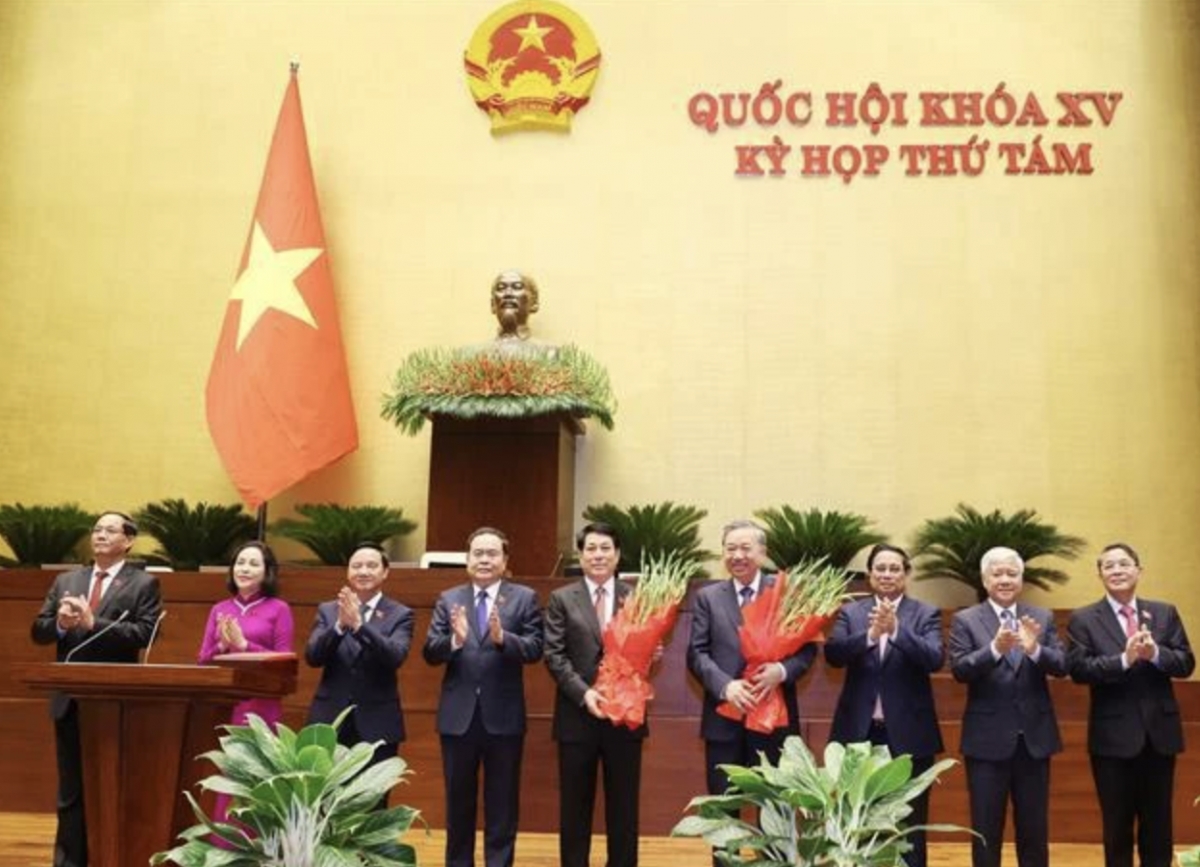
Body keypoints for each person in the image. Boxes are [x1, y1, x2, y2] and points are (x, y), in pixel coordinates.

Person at [30, 511, 163, 867]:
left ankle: (113, 857)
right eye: (97, 529)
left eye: (110, 530)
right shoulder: (66, 580)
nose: (101, 535)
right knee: (71, 791)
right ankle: (69, 862)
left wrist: (93, 623)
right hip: (69, 698)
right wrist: (59, 623)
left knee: (113, 787)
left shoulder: (142, 584)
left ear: (129, 541)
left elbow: (145, 634)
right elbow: (38, 630)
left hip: (117, 701)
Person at [422, 527, 544, 867]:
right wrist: (455, 641)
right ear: (467, 559)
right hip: (457, 718)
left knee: (502, 805)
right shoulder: (449, 599)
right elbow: (430, 652)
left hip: (503, 718)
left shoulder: (524, 598)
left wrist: (504, 638)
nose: (485, 559)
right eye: (478, 553)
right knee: (458, 805)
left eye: (493, 554)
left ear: (505, 561)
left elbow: (536, 648)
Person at [1068, 542, 1195, 867]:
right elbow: (1080, 670)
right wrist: (1124, 659)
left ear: (1139, 570)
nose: (1117, 571)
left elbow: (1185, 663)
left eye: (1124, 564)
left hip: (1159, 736)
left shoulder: (1163, 612)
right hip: (1112, 739)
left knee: (1159, 826)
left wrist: (1155, 655)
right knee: (1117, 827)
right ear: (1100, 575)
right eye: (1108, 566)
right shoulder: (1084, 619)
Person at [824, 542, 944, 867]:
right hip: (859, 734)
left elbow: (934, 659)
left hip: (908, 735)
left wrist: (897, 631)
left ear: (906, 575)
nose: (887, 574)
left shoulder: (925, 613)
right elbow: (833, 655)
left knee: (910, 824)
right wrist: (869, 636)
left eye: (894, 569)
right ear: (869, 575)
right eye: (880, 568)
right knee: (858, 820)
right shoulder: (852, 612)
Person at [948, 547, 1067, 867]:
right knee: (986, 829)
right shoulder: (966, 620)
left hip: (1034, 740)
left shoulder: (1041, 617)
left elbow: (1061, 665)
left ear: (1021, 579)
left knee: (1034, 828)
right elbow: (960, 670)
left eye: (1011, 574)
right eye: (997, 574)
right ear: (985, 580)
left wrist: (1035, 649)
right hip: (986, 741)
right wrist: (994, 650)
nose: (1004, 580)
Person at [687, 520, 817, 805]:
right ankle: (725, 854)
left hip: (775, 717)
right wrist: (725, 686)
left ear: (762, 552)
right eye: (730, 548)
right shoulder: (708, 597)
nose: (737, 555)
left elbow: (807, 650)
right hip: (724, 718)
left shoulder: (786, 593)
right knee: (722, 809)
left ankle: (772, 854)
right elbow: (696, 654)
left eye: (745, 548)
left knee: (775, 808)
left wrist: (781, 671)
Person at [544, 522, 644, 867]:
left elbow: (642, 650)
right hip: (577, 716)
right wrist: (585, 694)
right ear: (581, 555)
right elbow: (554, 656)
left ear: (617, 555)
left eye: (605, 548)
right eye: (591, 549)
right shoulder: (561, 598)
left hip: (625, 717)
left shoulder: (636, 597)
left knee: (624, 807)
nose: (598, 555)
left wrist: (650, 653)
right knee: (575, 806)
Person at [197, 540, 294, 829]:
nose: (245, 568)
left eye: (253, 563)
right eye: (240, 562)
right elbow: (203, 661)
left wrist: (243, 644)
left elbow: (285, 662)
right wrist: (222, 645)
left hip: (261, 709)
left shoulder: (279, 609)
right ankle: (222, 849)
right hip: (224, 707)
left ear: (267, 572)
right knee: (224, 783)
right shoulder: (219, 609)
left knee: (256, 782)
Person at [305, 542, 414, 777]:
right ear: (348, 571)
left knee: (374, 803)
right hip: (329, 719)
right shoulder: (328, 610)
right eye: (357, 566)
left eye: (371, 566)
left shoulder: (400, 614)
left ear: (385, 572)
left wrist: (359, 625)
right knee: (324, 799)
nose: (363, 571)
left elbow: (394, 656)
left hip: (378, 722)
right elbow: (313, 657)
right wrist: (339, 626)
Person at [490, 269, 539, 342]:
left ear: (534, 302)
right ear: (492, 304)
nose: (508, 294)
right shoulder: (474, 351)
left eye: (517, 287)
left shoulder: (553, 352)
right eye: (501, 288)